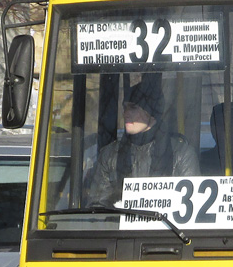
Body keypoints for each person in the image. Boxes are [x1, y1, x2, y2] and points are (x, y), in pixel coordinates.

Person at [85, 76, 199, 206]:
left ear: (151, 111)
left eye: (133, 107)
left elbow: (192, 206)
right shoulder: (110, 155)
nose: (126, 113)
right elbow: (97, 208)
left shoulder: (181, 154)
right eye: (125, 107)